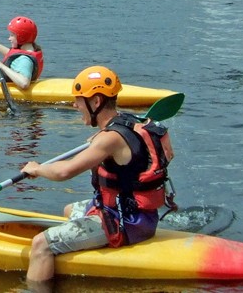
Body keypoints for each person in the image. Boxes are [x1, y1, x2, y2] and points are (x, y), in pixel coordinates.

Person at [19, 66, 175, 291]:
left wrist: (38, 168)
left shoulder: (108, 139)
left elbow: (65, 172)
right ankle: (80, 254)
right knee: (69, 210)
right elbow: (167, 154)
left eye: (79, 100)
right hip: (141, 215)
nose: (75, 105)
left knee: (41, 244)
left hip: (125, 222)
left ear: (96, 102)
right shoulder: (131, 123)